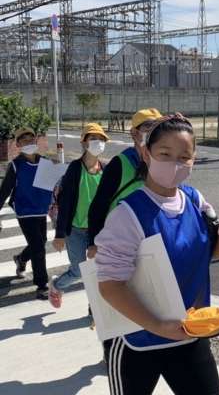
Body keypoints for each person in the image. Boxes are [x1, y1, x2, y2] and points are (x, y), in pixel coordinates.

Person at [94, 114, 219, 395]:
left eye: (184, 157)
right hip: (137, 341)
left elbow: (208, 253)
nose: (175, 164)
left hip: (187, 335)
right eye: (165, 154)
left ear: (194, 160)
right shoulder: (128, 213)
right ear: (146, 154)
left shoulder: (195, 201)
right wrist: (156, 325)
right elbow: (110, 286)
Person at [48, 123, 110, 309]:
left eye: (101, 139)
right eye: (93, 138)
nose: (98, 142)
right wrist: (60, 235)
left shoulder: (105, 170)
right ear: (84, 143)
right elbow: (65, 203)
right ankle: (57, 285)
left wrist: (98, 239)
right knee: (78, 271)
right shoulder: (75, 168)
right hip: (75, 230)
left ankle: (95, 309)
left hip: (97, 231)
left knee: (100, 272)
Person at [87, 108, 162, 259]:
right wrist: (93, 242)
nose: (154, 131)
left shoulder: (163, 163)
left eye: (158, 127)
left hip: (152, 238)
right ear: (134, 133)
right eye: (149, 126)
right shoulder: (119, 163)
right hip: (120, 240)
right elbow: (99, 205)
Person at [0, 127, 52, 299]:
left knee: (41, 242)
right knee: (38, 247)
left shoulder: (45, 162)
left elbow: (52, 186)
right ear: (18, 144)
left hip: (40, 210)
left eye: (31, 139)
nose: (29, 142)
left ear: (35, 141)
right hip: (24, 211)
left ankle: (21, 259)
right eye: (24, 140)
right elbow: (4, 191)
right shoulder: (16, 165)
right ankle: (42, 285)